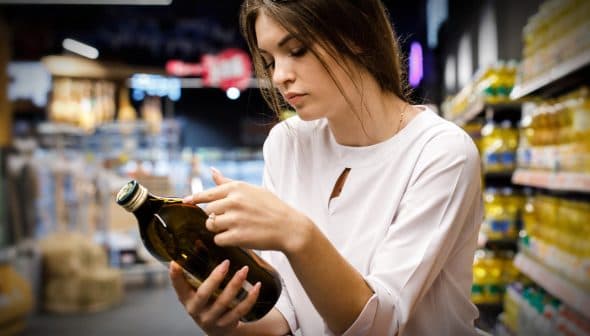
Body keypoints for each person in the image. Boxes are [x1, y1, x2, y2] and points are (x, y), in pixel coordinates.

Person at [170, 0, 483, 335]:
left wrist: (297, 234)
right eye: (269, 60)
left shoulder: (440, 152)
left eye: (297, 50)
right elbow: (286, 316)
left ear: (357, 34)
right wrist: (227, 326)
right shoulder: (286, 143)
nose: (279, 76)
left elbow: (380, 325)